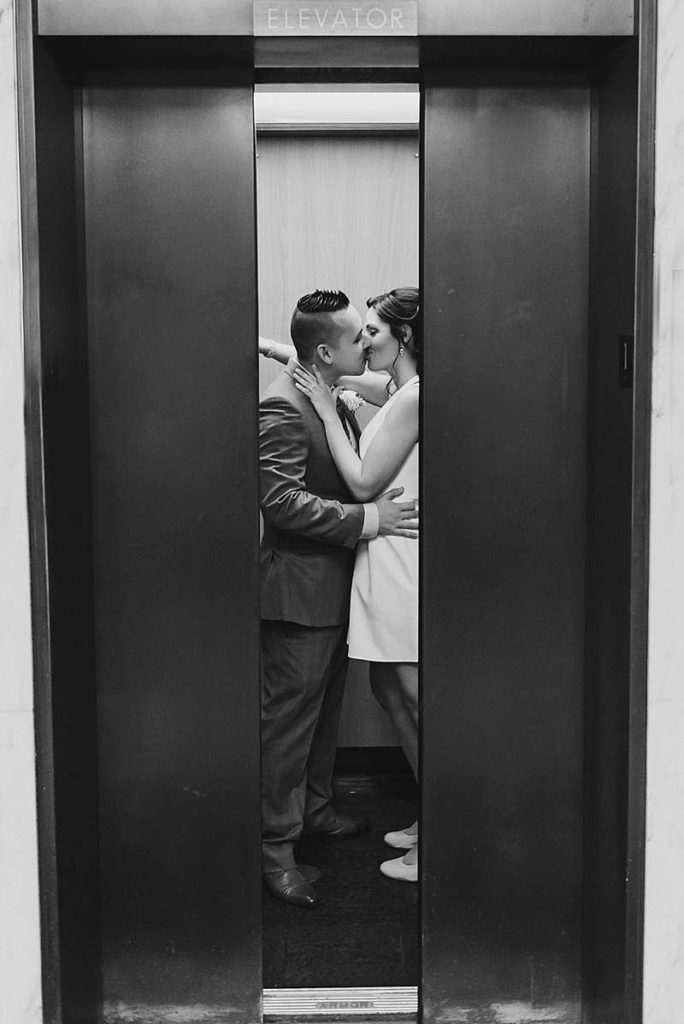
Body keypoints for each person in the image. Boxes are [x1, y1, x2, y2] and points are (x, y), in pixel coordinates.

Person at [259, 289, 419, 908]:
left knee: (323, 715)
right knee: (287, 726)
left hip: (334, 588)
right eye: (357, 338)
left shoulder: (329, 394)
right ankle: (275, 850)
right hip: (299, 593)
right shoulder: (284, 409)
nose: (366, 344)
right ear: (327, 351)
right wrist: (370, 520)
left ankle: (317, 811)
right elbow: (281, 503)